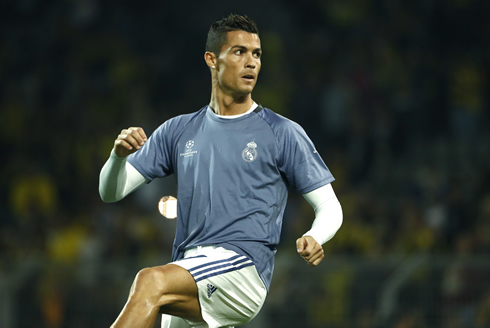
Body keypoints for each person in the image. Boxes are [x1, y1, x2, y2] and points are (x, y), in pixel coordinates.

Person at [99, 14, 343, 328]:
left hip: (242, 268)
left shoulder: (281, 132)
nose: (252, 62)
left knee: (150, 282)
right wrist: (117, 157)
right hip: (189, 267)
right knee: (153, 292)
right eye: (240, 52)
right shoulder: (178, 130)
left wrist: (315, 235)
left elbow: (329, 206)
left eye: (256, 54)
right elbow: (111, 192)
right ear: (212, 59)